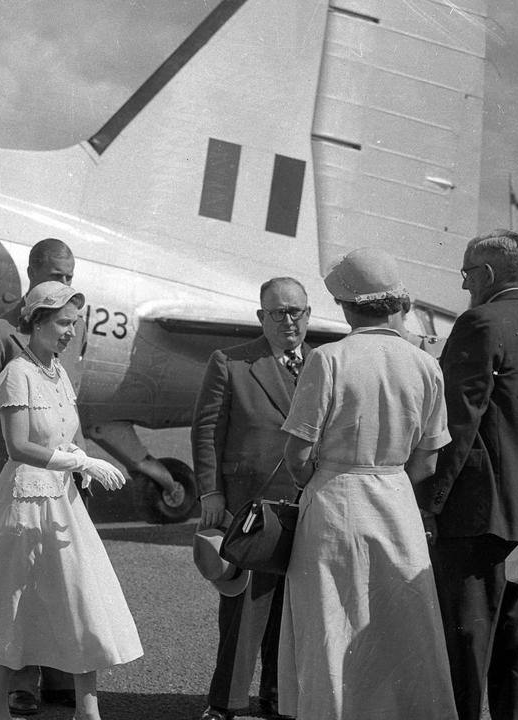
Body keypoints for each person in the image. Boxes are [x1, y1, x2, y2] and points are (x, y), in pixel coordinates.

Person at [279, 248, 455, 719]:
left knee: (331, 625)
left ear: (345, 305)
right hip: (396, 501)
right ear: (395, 302)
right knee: (401, 628)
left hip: (334, 498)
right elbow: (428, 462)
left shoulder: (327, 359)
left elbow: (297, 454)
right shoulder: (426, 365)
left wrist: (320, 481)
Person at [414, 229, 518, 720]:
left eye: (466, 274)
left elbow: (455, 425)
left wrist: (429, 502)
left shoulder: (479, 322)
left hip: (475, 518)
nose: (465, 285)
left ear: (485, 275)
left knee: (463, 650)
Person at [0, 281, 142, 720]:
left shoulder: (58, 373)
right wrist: (79, 463)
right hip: (23, 503)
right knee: (11, 602)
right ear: (37, 322)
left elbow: (67, 433)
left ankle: (88, 708)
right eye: (63, 322)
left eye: (75, 323)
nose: (71, 331)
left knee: (80, 596)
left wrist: (83, 460)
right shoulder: (17, 374)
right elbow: (18, 446)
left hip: (63, 503)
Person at [0, 237, 79, 714]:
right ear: (31, 270)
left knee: (59, 574)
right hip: (20, 476)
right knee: (19, 582)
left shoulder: (73, 324)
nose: (64, 283)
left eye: (70, 276)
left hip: (66, 475)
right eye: (54, 272)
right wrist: (6, 459)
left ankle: (57, 673)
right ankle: (21, 684)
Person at [191, 277, 310, 720]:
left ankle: (279, 697)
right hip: (249, 503)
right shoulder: (232, 362)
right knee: (244, 608)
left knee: (292, 610)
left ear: (308, 315)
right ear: (261, 317)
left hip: (304, 503)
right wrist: (211, 491)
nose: (288, 320)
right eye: (277, 312)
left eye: (296, 311)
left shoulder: (320, 365)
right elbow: (206, 430)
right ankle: (225, 704)